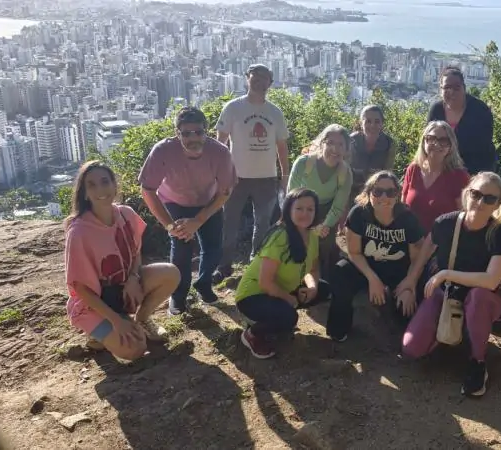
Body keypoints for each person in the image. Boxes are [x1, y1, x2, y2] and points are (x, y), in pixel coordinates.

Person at [402, 172, 501, 397]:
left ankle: (478, 361)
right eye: (476, 194)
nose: (480, 202)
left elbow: (491, 280)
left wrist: (445, 273)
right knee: (411, 348)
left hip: (482, 298)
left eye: (489, 199)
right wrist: (409, 283)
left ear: (498, 204)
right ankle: (452, 336)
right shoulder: (446, 223)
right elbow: (424, 255)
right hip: (447, 293)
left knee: (478, 297)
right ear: (467, 193)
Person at [66, 161, 181, 360]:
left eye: (105, 182)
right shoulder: (79, 232)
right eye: (92, 185)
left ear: (114, 185)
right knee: (135, 350)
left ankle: (141, 319)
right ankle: (100, 333)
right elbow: (81, 289)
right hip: (94, 304)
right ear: (84, 193)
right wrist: (116, 321)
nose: (100, 189)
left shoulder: (126, 214)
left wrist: (133, 278)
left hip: (123, 290)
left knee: (170, 273)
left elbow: (135, 252)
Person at [139, 107, 236, 315]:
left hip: (209, 201)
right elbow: (147, 189)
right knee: (181, 250)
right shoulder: (163, 151)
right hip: (175, 201)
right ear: (177, 133)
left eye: (198, 132)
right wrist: (169, 225)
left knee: (214, 249)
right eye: (186, 133)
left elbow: (225, 192)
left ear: (206, 131)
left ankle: (203, 283)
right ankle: (179, 296)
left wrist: (199, 219)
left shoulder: (220, 152)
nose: (193, 138)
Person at [326, 171, 425, 342]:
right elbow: (354, 252)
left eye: (390, 192)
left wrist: (410, 285)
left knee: (405, 314)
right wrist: (373, 279)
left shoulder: (407, 219)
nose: (384, 197)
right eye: (378, 191)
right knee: (340, 272)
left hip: (399, 270)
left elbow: (417, 259)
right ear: (369, 192)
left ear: (397, 194)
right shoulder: (359, 214)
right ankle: (339, 329)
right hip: (366, 266)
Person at [215, 63, 290, 282]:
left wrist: (284, 176)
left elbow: (281, 147)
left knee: (263, 223)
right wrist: (219, 174)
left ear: (271, 83)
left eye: (264, 78)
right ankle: (224, 265)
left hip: (266, 177)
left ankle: (256, 263)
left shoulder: (275, 112)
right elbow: (221, 143)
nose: (259, 81)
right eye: (255, 77)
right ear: (247, 78)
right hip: (235, 176)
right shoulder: (233, 108)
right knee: (229, 221)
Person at [235, 188, 331, 358]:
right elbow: (265, 283)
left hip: (282, 289)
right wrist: (289, 299)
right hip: (253, 296)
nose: (305, 213)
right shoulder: (280, 236)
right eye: (299, 208)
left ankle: (277, 317)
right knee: (289, 317)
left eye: (310, 209)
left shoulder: (312, 236)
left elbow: (313, 269)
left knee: (323, 289)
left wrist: (312, 287)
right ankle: (253, 334)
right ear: (288, 210)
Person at [287, 124, 353, 275]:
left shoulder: (345, 173)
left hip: (327, 211)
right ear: (321, 143)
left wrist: (325, 226)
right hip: (300, 206)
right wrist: (300, 221)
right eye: (330, 143)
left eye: (340, 144)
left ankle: (320, 280)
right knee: (297, 240)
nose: (335, 149)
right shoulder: (303, 163)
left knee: (323, 245)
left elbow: (338, 206)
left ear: (346, 149)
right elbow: (291, 196)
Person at [402, 120, 470, 232]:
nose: (437, 144)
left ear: (451, 145)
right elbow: (403, 208)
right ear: (424, 141)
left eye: (443, 140)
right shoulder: (413, 169)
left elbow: (464, 217)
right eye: (431, 138)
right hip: (411, 241)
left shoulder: (459, 176)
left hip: (442, 243)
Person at [427, 66, 497, 174]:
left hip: (475, 170)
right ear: (440, 90)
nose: (452, 91)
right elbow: (428, 142)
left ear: (464, 88)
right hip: (442, 169)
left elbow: (484, 147)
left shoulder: (480, 111)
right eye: (447, 87)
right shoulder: (436, 111)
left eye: (456, 87)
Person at [349, 105, 397, 198]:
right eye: (368, 121)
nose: (372, 125)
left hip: (376, 193)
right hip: (351, 192)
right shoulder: (351, 141)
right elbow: (345, 172)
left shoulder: (389, 144)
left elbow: (387, 173)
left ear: (382, 123)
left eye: (377, 121)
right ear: (361, 123)